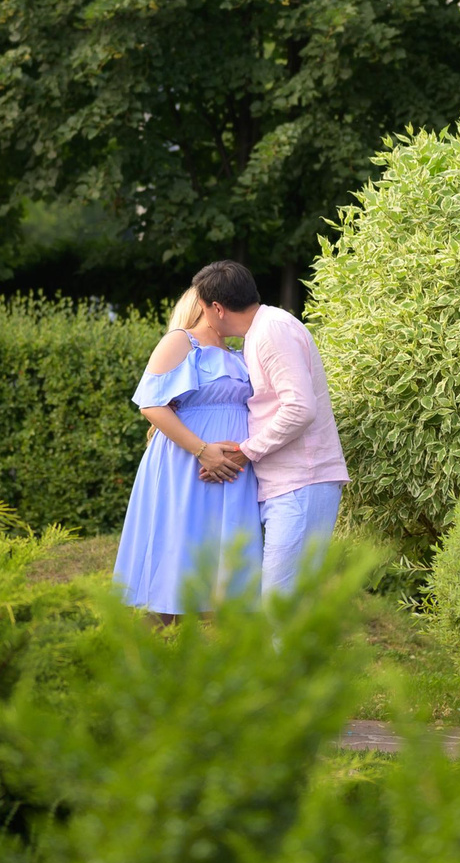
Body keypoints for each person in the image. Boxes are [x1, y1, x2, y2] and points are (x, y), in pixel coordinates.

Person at [192, 260, 350, 597]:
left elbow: (300, 407)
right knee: (291, 607)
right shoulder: (262, 331)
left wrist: (244, 452)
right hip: (291, 486)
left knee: (282, 607)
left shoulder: (271, 331)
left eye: (203, 309)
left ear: (217, 308)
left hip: (302, 483)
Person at [111, 286, 261, 618]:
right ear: (209, 305)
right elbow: (151, 404)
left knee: (226, 566)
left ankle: (217, 660)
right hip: (187, 464)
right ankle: (148, 655)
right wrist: (203, 450)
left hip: (234, 471)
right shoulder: (181, 341)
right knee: (178, 557)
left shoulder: (240, 352)